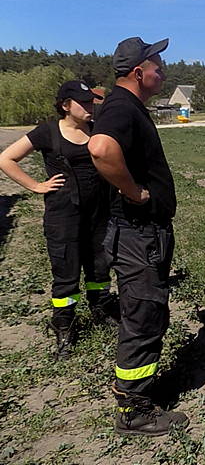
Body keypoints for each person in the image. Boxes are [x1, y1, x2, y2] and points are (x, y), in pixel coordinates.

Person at [88, 36, 188, 436]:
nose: (163, 72)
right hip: (137, 235)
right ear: (138, 73)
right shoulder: (121, 106)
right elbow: (100, 148)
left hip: (144, 234)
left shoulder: (127, 106)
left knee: (148, 312)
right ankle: (134, 410)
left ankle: (138, 393)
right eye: (157, 67)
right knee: (143, 316)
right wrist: (134, 192)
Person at [0, 81, 116, 359]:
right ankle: (64, 323)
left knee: (100, 265)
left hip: (99, 212)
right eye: (83, 102)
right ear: (66, 105)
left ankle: (101, 308)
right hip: (63, 216)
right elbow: (6, 159)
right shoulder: (47, 132)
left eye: (91, 101)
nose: (89, 106)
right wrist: (35, 186)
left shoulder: (97, 128)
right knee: (66, 271)